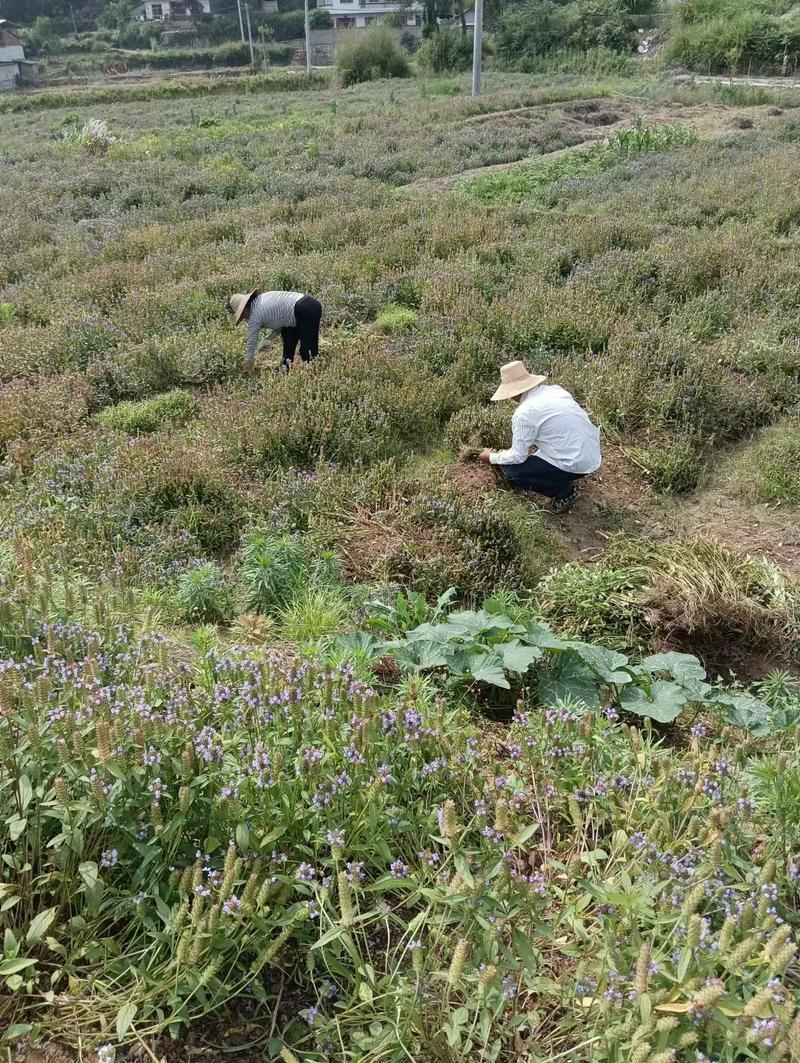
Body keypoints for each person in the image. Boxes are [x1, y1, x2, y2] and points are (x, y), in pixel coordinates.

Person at [477, 360, 601, 513]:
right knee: (538, 451)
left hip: (574, 463)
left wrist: (491, 457)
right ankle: (566, 474)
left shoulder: (524, 413)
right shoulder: (555, 391)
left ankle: (565, 492)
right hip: (592, 455)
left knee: (513, 474)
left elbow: (518, 457)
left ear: (512, 392)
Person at [229, 290, 323, 374]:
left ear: (245, 309)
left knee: (307, 349)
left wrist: (248, 366)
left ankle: (313, 373)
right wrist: (268, 339)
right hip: (299, 309)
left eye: (243, 316)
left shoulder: (255, 316)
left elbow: (251, 343)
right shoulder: (260, 300)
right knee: (288, 337)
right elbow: (281, 320)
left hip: (306, 309)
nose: (245, 319)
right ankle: (285, 369)